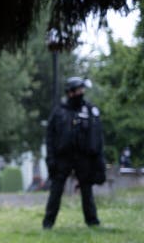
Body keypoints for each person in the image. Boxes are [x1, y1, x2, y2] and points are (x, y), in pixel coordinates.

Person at [43, 76, 106, 229]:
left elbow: (97, 136)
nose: (81, 92)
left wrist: (98, 160)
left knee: (87, 190)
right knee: (56, 190)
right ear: (70, 92)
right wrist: (50, 158)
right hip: (63, 157)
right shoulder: (59, 112)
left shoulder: (90, 110)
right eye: (79, 90)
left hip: (83, 157)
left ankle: (92, 221)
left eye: (82, 90)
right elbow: (50, 136)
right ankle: (48, 223)